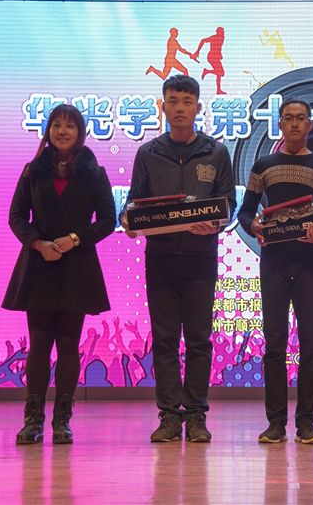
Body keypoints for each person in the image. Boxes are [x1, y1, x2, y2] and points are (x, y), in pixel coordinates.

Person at [122, 75, 236, 443]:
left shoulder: (216, 152)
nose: (180, 108)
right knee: (165, 339)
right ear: (163, 106)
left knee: (200, 339)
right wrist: (129, 220)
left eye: (187, 101)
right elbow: (134, 201)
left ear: (198, 107)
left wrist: (215, 224)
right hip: (161, 258)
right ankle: (170, 416)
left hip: (201, 258)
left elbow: (229, 205)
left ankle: (197, 415)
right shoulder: (148, 153)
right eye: (173, 101)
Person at [3, 104, 116, 445]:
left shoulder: (95, 172)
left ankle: (62, 421)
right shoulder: (32, 170)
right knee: (39, 344)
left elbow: (107, 221)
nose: (62, 131)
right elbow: (16, 216)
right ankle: (33, 419)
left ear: (80, 132)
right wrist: (38, 243)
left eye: (70, 126)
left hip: (77, 266)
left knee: (68, 345)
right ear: (48, 131)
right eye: (56, 125)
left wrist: (75, 239)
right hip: (40, 265)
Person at [237, 99, 313, 445]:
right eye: (288, 118)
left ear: (310, 125)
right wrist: (254, 226)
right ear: (279, 124)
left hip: (311, 263)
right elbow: (245, 212)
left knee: (310, 344)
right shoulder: (263, 165)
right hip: (274, 262)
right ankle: (276, 423)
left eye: (301, 118)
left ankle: (306, 423)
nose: (294, 124)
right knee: (275, 343)